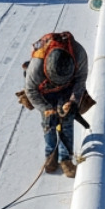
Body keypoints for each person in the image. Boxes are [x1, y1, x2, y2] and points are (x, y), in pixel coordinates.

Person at [23, 32, 89, 177]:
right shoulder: (37, 65)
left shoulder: (79, 55)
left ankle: (65, 159)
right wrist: (47, 109)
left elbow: (80, 81)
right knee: (49, 122)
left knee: (67, 120)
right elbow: (31, 91)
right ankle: (51, 155)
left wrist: (72, 101)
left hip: (68, 88)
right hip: (44, 90)